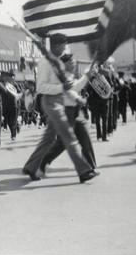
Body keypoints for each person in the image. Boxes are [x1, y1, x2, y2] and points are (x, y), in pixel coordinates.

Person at [22, 34, 99, 183]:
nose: (64, 49)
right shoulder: (45, 63)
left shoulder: (58, 63)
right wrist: (61, 87)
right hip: (50, 102)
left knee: (48, 139)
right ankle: (83, 171)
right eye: (63, 46)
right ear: (55, 46)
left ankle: (31, 167)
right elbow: (41, 87)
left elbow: (69, 87)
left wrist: (77, 97)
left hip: (59, 102)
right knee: (69, 136)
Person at [37, 53, 98, 175]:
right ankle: (41, 163)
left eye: (74, 61)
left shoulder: (70, 76)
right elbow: (73, 88)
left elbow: (74, 89)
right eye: (71, 62)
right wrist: (86, 78)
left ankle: (89, 168)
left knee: (85, 137)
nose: (74, 64)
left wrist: (79, 97)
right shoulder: (62, 76)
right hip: (66, 111)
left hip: (75, 111)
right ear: (64, 64)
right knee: (61, 143)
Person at [87, 64, 110, 142]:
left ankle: (99, 136)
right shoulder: (102, 77)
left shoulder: (92, 80)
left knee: (98, 119)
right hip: (103, 101)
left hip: (97, 102)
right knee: (103, 119)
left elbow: (88, 92)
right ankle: (103, 137)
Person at [2, 73, 23, 141]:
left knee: (13, 120)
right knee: (8, 121)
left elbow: (20, 93)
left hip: (14, 105)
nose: (5, 79)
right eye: (4, 77)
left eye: (7, 77)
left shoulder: (15, 85)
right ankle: (16, 127)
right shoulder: (1, 85)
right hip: (5, 105)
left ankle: (13, 135)